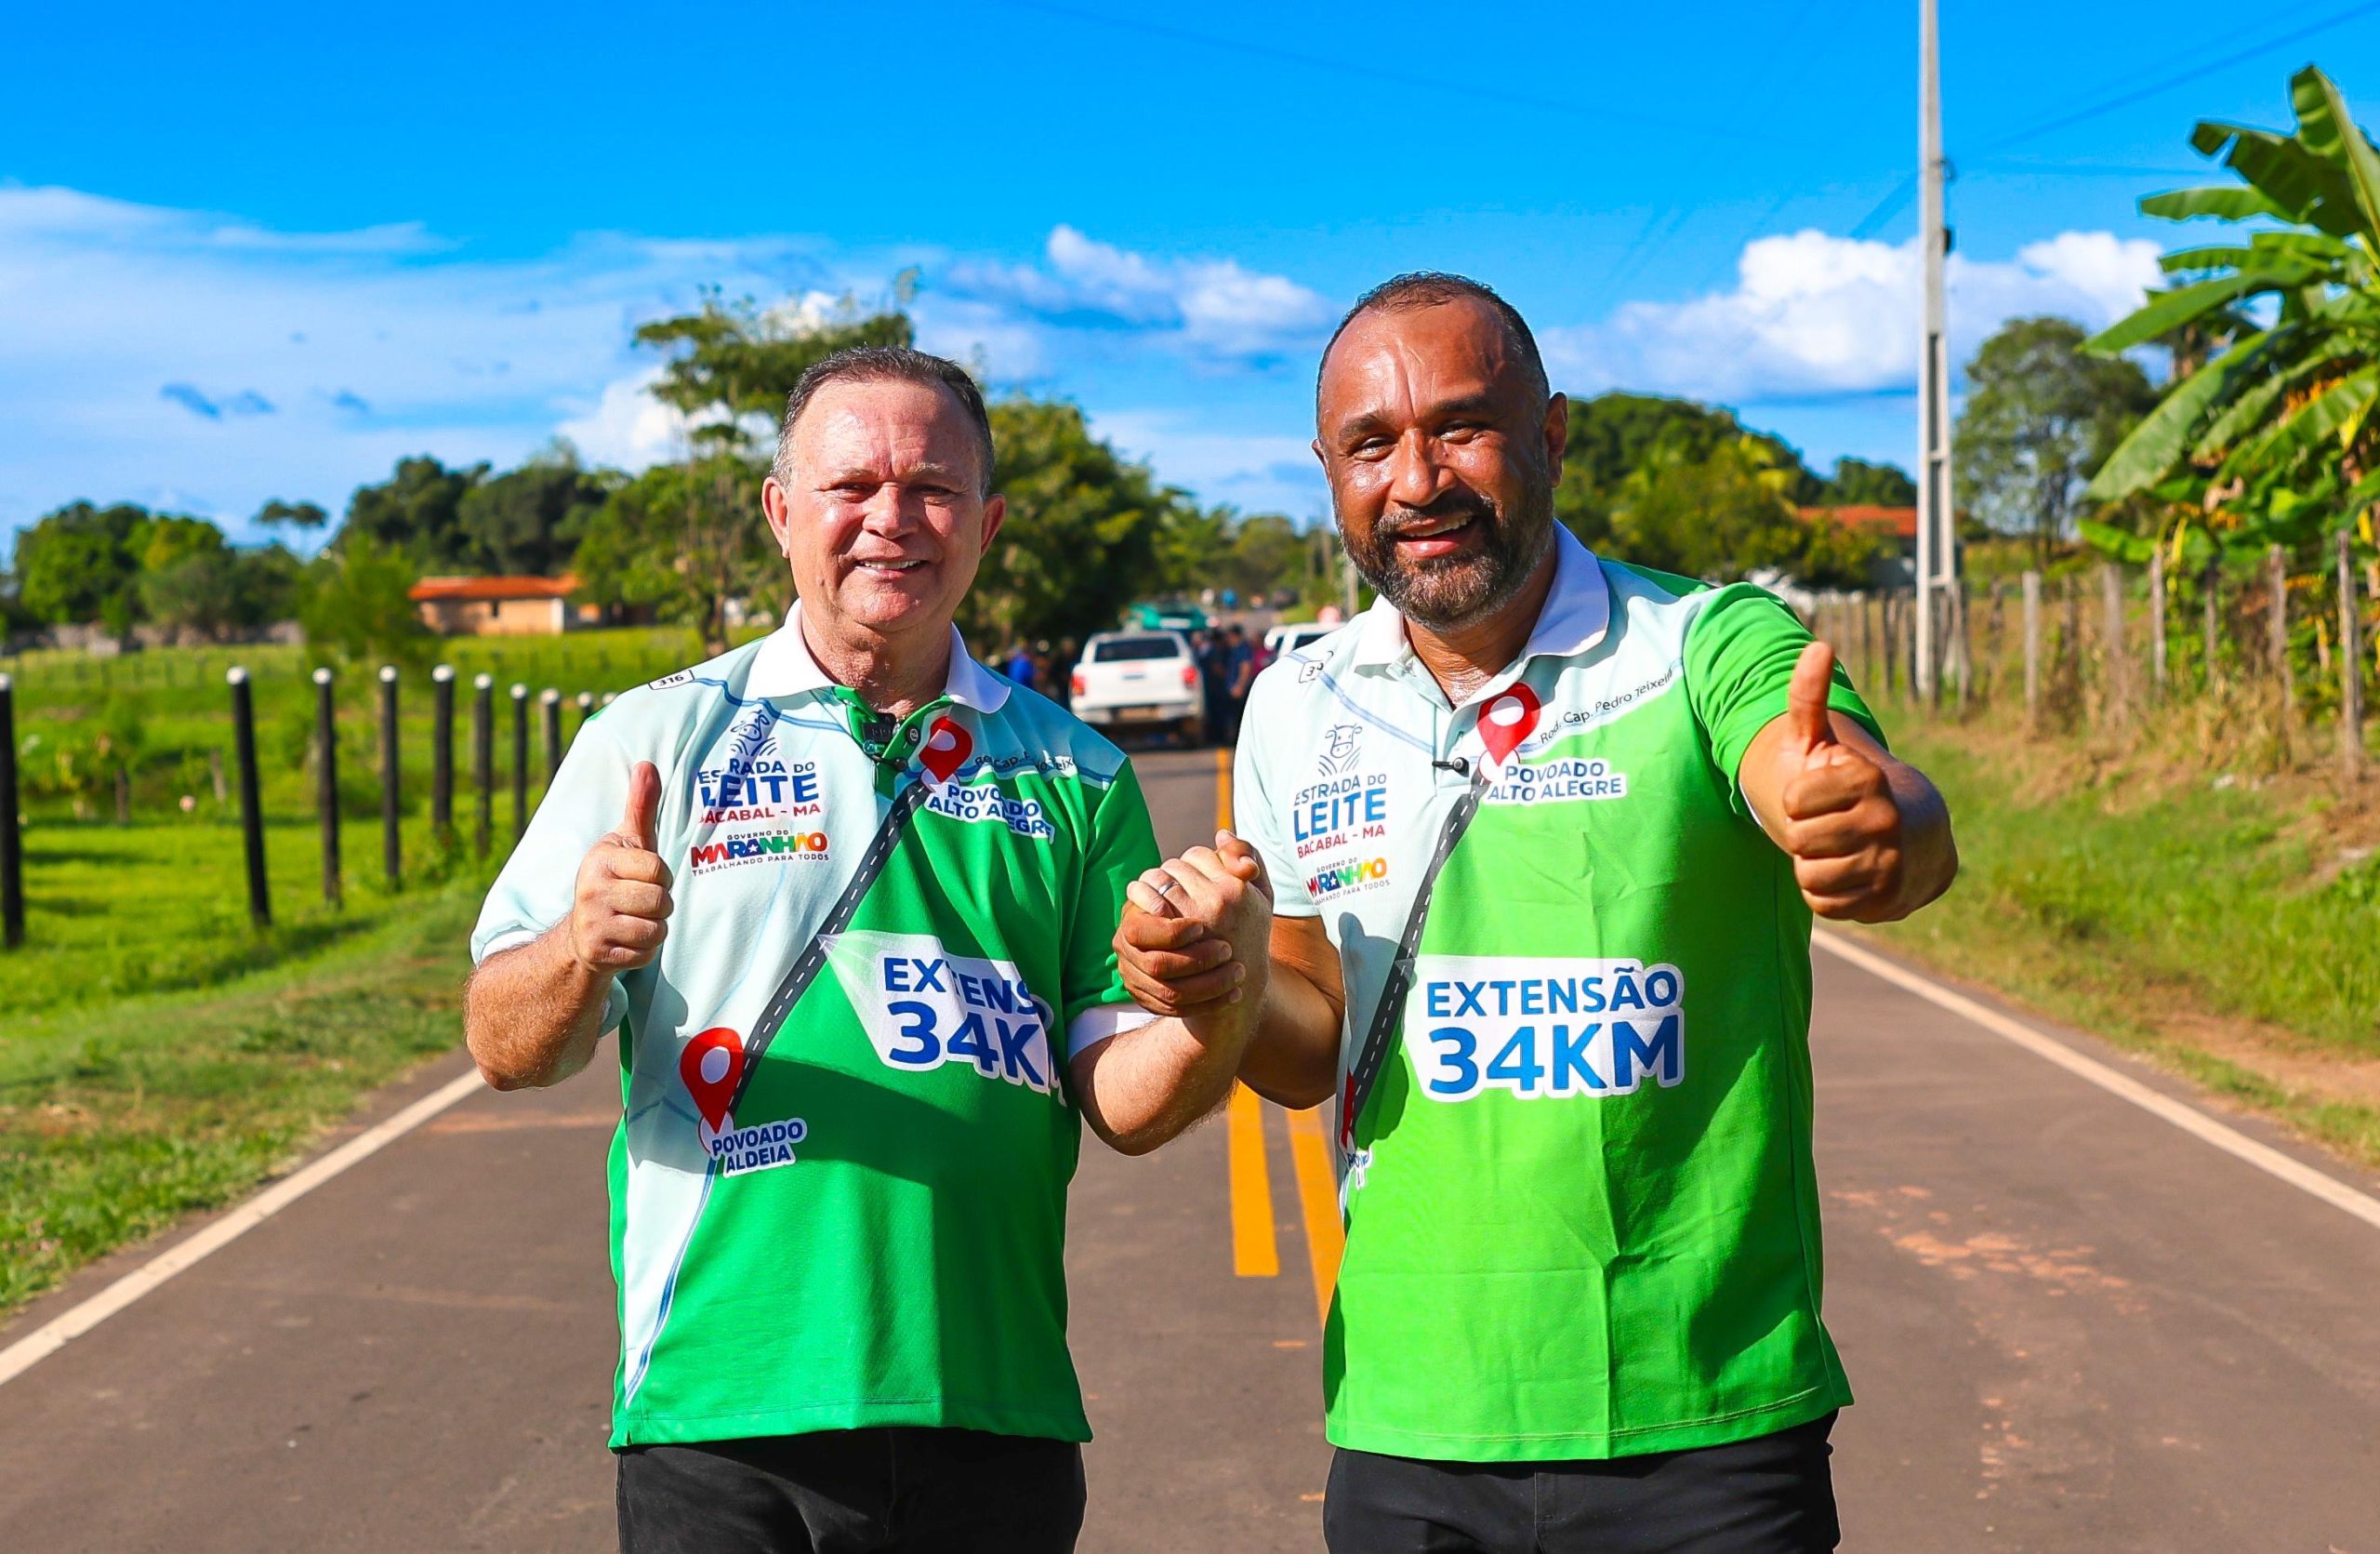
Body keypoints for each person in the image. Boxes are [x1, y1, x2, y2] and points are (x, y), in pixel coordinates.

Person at [1117, 273, 1958, 1553]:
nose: (1418, 480)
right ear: (1327, 470)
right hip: (1409, 1418)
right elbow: (1310, 1046)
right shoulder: (1298, 703)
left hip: (1705, 1422)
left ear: (1552, 434)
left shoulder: (1699, 641)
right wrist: (1222, 987)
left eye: (1461, 426)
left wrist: (1871, 824)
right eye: (1371, 444)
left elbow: (1838, 779)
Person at [463, 346, 1266, 1554]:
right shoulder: (658, 736)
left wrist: (1222, 1000)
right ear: (784, 513)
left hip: (991, 1411)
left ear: (986, 524)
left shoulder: (1079, 773)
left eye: (933, 489)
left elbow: (1124, 1097)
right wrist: (582, 948)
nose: (892, 520)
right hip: (721, 1408)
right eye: (852, 487)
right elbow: (501, 1041)